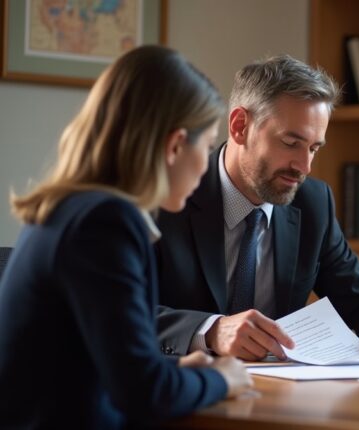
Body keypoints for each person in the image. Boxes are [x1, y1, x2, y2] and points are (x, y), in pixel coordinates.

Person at [0, 46, 253, 428]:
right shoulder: (106, 223)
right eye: (206, 145)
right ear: (174, 145)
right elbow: (144, 393)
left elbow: (105, 359)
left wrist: (176, 370)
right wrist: (220, 378)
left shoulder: (70, 209)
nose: (206, 166)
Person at [155, 55, 359, 361]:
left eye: (314, 148)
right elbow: (117, 310)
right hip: (179, 384)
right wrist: (210, 330)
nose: (304, 167)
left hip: (278, 392)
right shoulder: (168, 192)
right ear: (240, 126)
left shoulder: (313, 202)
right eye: (291, 143)